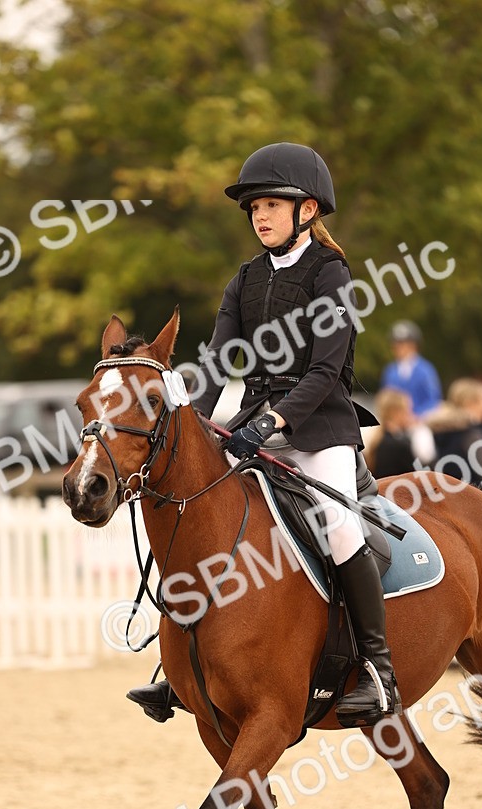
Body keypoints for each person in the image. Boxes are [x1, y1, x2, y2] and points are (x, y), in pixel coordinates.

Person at [127, 142, 398, 728]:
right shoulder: (244, 279)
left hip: (320, 428)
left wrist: (274, 422)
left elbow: (328, 372)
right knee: (206, 512)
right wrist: (185, 414)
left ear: (308, 210)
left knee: (340, 525)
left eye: (272, 205)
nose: (261, 216)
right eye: (254, 209)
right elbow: (221, 360)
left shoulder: (331, 274)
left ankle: (379, 671)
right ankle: (179, 667)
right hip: (252, 425)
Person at [425, 378, 482, 501]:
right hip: (474, 505)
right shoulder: (471, 434)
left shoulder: (438, 430)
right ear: (470, 402)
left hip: (446, 503)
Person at [363, 388, 436, 477]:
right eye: (408, 410)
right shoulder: (400, 444)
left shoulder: (376, 440)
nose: (411, 415)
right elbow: (419, 478)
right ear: (397, 413)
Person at [379, 321, 442, 418]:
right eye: (395, 344)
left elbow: (433, 400)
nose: (397, 348)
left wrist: (415, 416)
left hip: (420, 420)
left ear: (414, 345)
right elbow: (385, 399)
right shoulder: (390, 371)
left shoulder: (426, 370)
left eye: (402, 344)